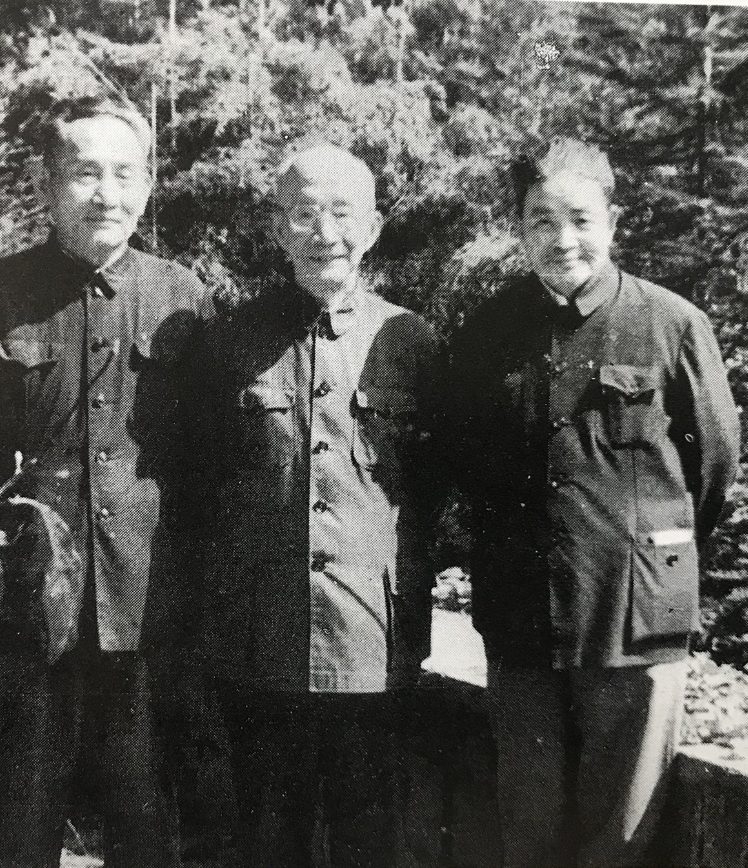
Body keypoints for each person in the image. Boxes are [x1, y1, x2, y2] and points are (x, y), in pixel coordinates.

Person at [0, 95, 212, 868]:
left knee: (149, 828)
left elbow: (215, 468)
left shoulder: (184, 300)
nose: (107, 194)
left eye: (124, 174)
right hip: (21, 614)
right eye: (85, 173)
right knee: (19, 826)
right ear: (45, 184)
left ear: (147, 185)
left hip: (150, 617)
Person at [447, 137, 740, 867]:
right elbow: (468, 464)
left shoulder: (672, 325)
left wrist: (642, 550)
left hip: (633, 617)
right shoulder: (488, 333)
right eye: (540, 221)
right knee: (529, 827)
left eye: (579, 218)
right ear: (518, 230)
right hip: (522, 616)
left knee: (622, 836)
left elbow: (713, 470)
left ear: (614, 221)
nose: (562, 239)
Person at [184, 141, 443, 868]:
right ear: (278, 228)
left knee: (370, 841)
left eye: (343, 213)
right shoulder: (231, 341)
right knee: (268, 841)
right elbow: (198, 485)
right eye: (304, 214)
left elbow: (433, 492)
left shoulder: (409, 341)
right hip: (258, 641)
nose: (325, 232)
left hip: (371, 639)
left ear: (375, 226)